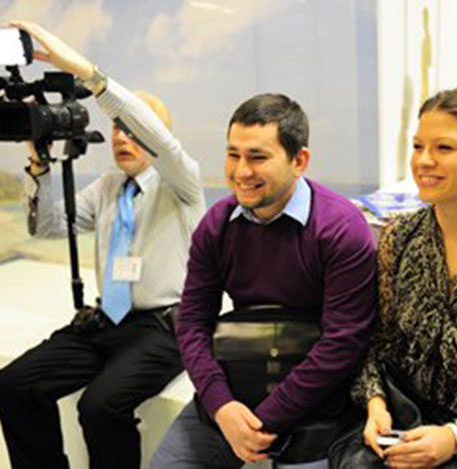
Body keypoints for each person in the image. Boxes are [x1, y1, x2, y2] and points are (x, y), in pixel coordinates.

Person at [0, 22, 205, 469]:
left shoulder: (181, 184)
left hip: (163, 329)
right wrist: (38, 164)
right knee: (13, 385)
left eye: (132, 129)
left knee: (100, 407)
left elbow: (159, 141)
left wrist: (90, 75)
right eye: (116, 130)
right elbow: (49, 227)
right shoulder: (108, 186)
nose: (122, 137)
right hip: (106, 321)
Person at [151, 93, 377, 467]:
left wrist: (264, 419)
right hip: (236, 389)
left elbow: (344, 341)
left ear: (299, 161)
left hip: (318, 402)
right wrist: (222, 406)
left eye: (257, 157)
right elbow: (191, 323)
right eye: (233, 155)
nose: (241, 172)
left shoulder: (341, 228)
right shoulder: (217, 225)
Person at [336, 86, 457, 469]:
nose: (424, 161)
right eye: (418, 147)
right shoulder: (400, 238)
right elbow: (377, 341)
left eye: (443, 148)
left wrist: (456, 437)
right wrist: (376, 405)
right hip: (406, 424)